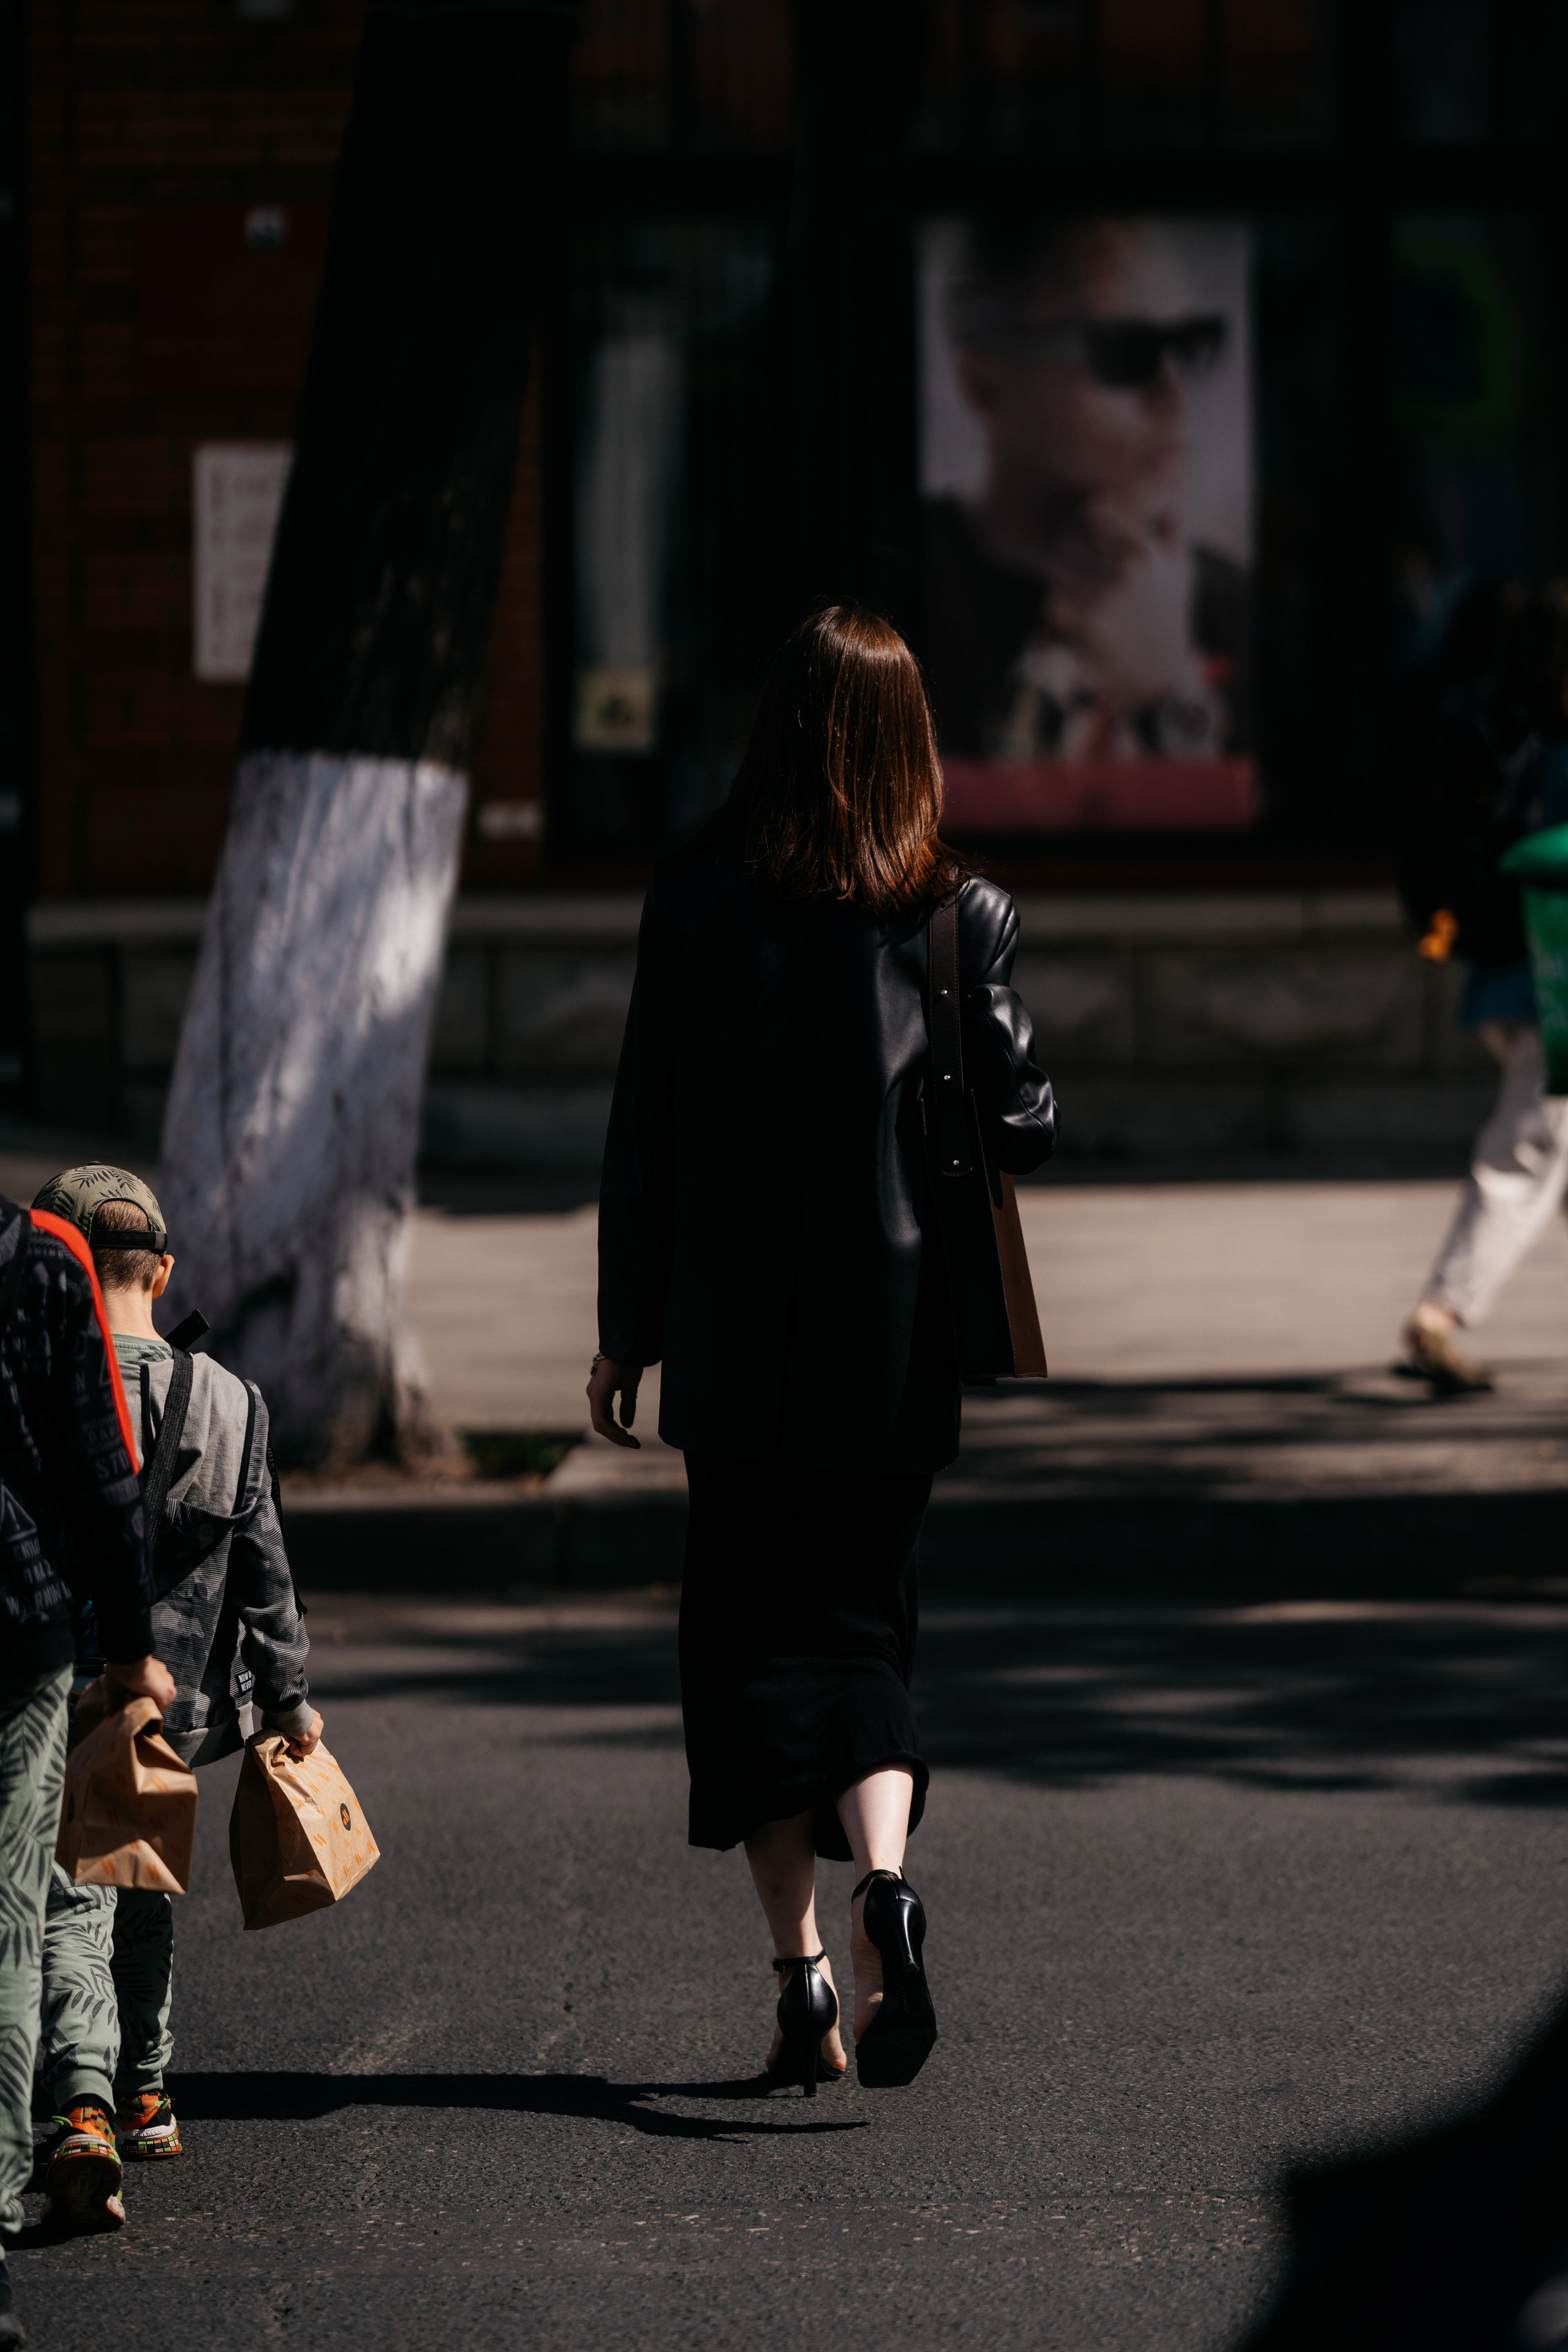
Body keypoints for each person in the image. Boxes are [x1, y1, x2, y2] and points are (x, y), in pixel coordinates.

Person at [589, 606, 1057, 2095]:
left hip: (732, 1347)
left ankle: (799, 1977)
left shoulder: (692, 897)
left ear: (779, 729)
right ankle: (886, 1886)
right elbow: (1025, 1120)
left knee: (744, 1653)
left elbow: (643, 1135)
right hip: (890, 1347)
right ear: (907, 742)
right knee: (862, 1632)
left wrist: (623, 1334)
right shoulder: (951, 912)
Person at [24, 1167, 321, 2230]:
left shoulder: (43, 1388)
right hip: (181, 1704)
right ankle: (148, 2091)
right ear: (163, 1272)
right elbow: (267, 1575)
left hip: (72, 1689)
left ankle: (83, 2107)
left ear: (59, 1271)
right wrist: (288, 1702)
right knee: (143, 1887)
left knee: (76, 1896)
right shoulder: (235, 1403)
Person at [0, 1188, 170, 2345]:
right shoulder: (39, 1263)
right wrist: (132, 1651)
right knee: (31, 1914)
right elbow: (106, 1478)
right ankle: (99, 2106)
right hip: (23, 1628)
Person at [924, 215, 1247, 770]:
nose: (1175, 397)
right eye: (1123, 350)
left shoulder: (1229, 603)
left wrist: (1173, 689)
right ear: (986, 388)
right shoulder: (902, 588)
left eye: (1188, 344)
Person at [1396, 584, 1568, 1390]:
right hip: (1555, 991)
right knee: (1530, 1150)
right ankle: (1441, 1313)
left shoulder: (1499, 735)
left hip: (1507, 978)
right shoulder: (1554, 752)